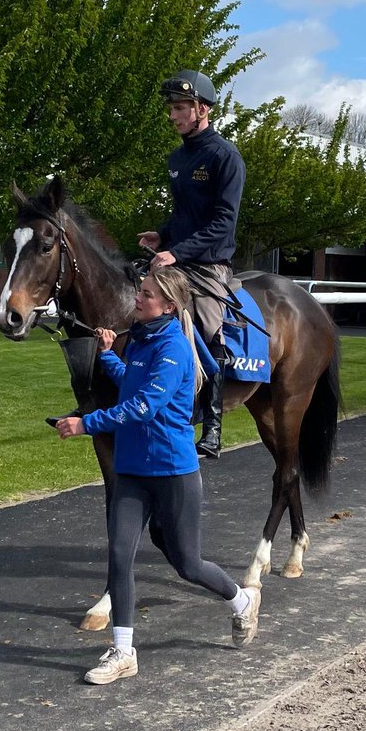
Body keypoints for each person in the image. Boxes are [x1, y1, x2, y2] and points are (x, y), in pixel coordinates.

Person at [55, 267, 261, 685]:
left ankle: (241, 601)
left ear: (168, 305)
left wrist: (86, 423)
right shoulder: (144, 339)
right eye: (140, 292)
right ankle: (123, 651)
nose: (137, 298)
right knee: (118, 556)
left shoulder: (174, 348)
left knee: (187, 563)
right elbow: (132, 382)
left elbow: (144, 406)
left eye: (146, 294)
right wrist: (109, 354)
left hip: (172, 474)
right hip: (131, 471)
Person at [137, 69, 246, 459]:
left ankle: (213, 425)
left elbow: (222, 223)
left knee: (205, 323)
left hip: (209, 266)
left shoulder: (225, 156)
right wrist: (162, 236)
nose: (173, 115)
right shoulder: (177, 157)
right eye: (171, 108)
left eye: (180, 108)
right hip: (176, 259)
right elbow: (185, 214)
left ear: (202, 109)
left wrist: (177, 252)